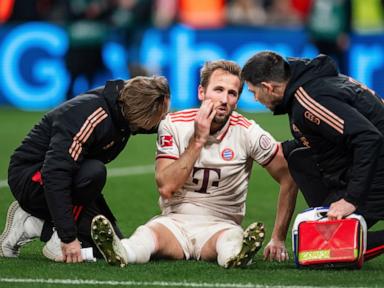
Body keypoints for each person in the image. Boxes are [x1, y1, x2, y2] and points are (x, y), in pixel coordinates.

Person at [90, 60, 298, 268]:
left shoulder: (248, 132)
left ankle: (237, 255)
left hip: (220, 225)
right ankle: (121, 251)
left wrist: (278, 238)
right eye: (218, 90)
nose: (224, 100)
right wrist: (197, 140)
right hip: (174, 221)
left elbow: (288, 176)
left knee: (231, 240)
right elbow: (166, 187)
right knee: (147, 235)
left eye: (232, 93)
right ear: (201, 92)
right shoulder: (173, 124)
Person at [0, 76, 170, 263]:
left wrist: (200, 120)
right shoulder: (92, 115)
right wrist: (67, 237)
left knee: (116, 248)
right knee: (94, 172)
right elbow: (54, 173)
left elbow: (163, 124)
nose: (162, 120)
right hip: (32, 178)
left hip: (71, 178)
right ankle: (51, 234)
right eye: (160, 115)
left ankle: (32, 224)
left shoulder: (123, 109)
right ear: (143, 114)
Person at [241, 51, 384, 261]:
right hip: (368, 158)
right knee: (295, 153)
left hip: (377, 161)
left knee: (319, 246)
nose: (255, 98)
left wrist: (351, 199)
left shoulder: (310, 100)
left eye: (254, 92)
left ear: (268, 87)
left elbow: (368, 138)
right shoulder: (310, 81)